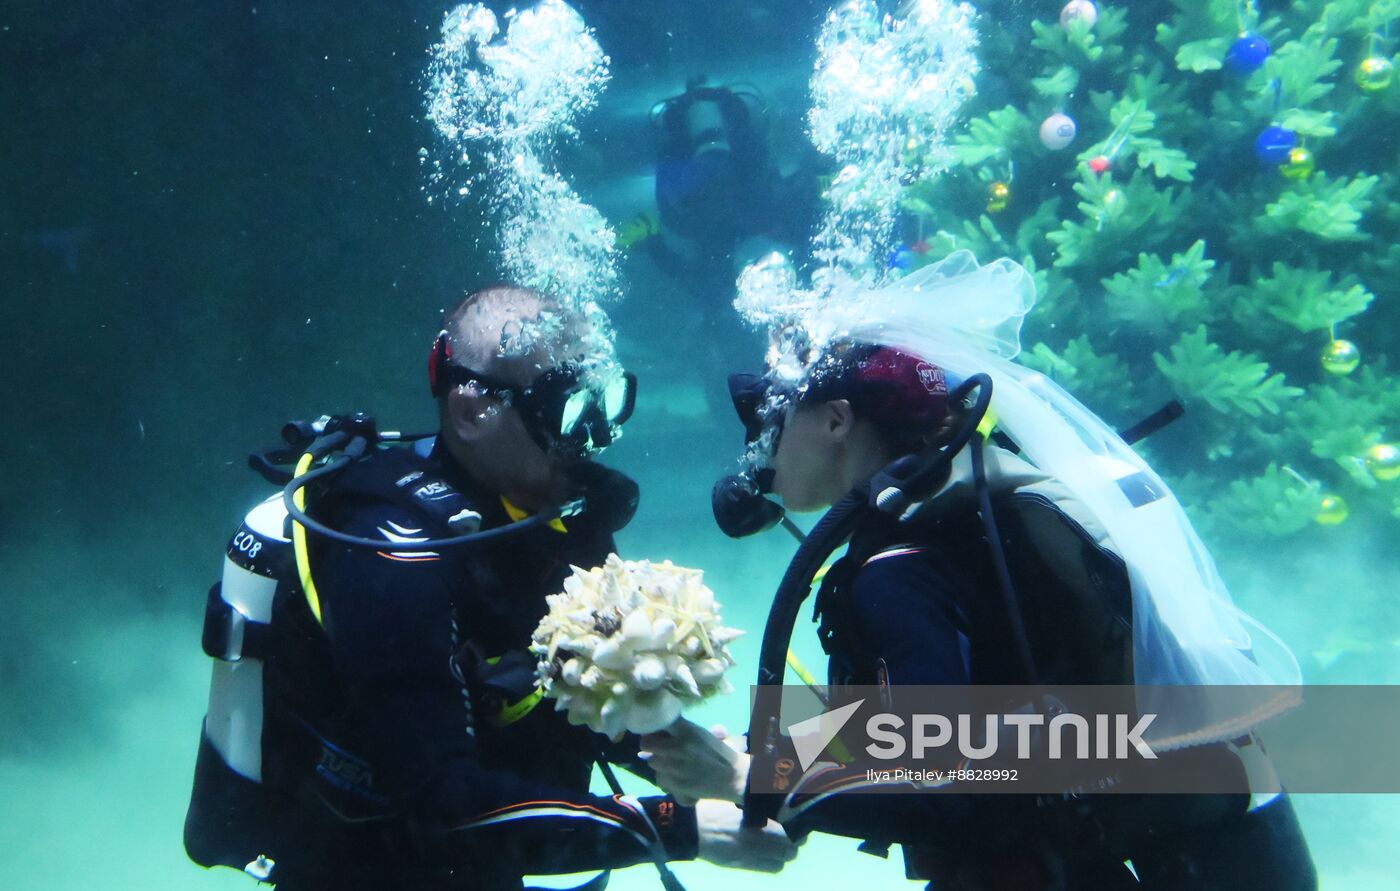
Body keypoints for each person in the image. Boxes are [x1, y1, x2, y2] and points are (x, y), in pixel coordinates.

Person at [641, 255, 1319, 888]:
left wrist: (749, 772)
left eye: (773, 412)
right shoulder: (967, 509)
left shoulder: (900, 564)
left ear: (838, 419)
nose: (760, 441)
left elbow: (944, 776)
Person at [184, 285, 795, 890]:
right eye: (568, 408)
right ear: (473, 410)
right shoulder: (396, 556)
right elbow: (442, 803)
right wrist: (681, 824)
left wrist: (715, 760)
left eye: (604, 402)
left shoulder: (547, 517)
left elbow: (887, 754)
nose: (591, 436)